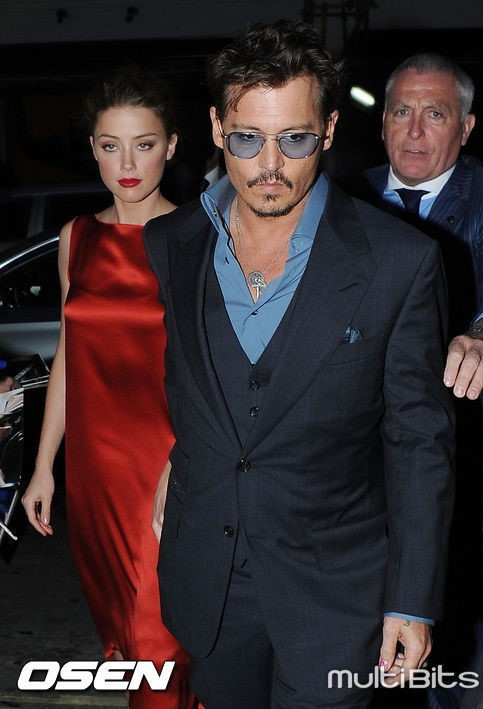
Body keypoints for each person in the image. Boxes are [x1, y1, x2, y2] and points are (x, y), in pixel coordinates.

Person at [143, 21, 455, 708]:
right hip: (209, 585)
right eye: (247, 139)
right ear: (217, 128)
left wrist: (413, 600)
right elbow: (189, 386)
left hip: (336, 593)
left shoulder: (400, 261)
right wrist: (181, 459)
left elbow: (418, 442)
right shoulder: (172, 243)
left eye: (295, 139)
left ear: (330, 129)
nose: (270, 165)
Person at [22, 66, 198, 709]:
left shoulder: (197, 237)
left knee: (159, 640)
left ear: (171, 146)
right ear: (92, 148)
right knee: (126, 635)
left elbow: (212, 370)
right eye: (109, 145)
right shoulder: (77, 237)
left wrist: (185, 461)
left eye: (143, 145)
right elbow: (70, 354)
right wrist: (44, 466)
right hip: (95, 471)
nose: (126, 164)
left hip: (169, 464)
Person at [354, 53, 483, 707]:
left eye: (434, 114)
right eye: (402, 112)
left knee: (456, 667)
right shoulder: (340, 197)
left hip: (464, 479)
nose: (414, 130)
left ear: (465, 128)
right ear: (383, 121)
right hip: (354, 484)